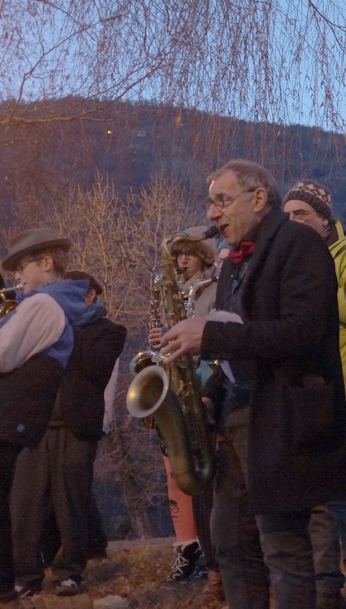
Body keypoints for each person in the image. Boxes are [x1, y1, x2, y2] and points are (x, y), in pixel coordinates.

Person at [160, 159, 346, 609]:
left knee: (282, 546)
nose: (212, 214)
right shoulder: (231, 262)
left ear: (259, 198)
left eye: (222, 201)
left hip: (283, 417)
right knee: (229, 544)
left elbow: (301, 330)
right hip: (238, 415)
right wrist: (206, 397)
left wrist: (208, 334)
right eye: (211, 203)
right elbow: (239, 338)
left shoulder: (299, 243)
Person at [0, 228, 86, 609]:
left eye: (22, 268)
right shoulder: (41, 303)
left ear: (46, 263)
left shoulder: (43, 305)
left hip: (5, 420)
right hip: (4, 418)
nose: (16, 278)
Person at [283, 179, 346, 609]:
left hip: (342, 387)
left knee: (342, 493)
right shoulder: (286, 256)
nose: (292, 223)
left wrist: (309, 285)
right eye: (286, 216)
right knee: (311, 497)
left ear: (324, 217)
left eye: (301, 215)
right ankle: (326, 587)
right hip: (297, 389)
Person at [10, 271, 126, 598]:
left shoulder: (110, 331)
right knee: (25, 503)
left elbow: (95, 367)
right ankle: (26, 575)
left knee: (71, 503)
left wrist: (65, 327)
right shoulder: (45, 327)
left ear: (89, 296)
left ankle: (69, 572)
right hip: (37, 425)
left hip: (77, 428)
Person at [146, 227, 220, 588]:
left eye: (188, 254)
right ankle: (187, 547)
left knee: (205, 477)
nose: (181, 261)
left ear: (203, 257)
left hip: (204, 376)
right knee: (175, 473)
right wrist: (161, 340)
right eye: (178, 256)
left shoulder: (213, 287)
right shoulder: (172, 293)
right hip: (176, 375)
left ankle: (211, 554)